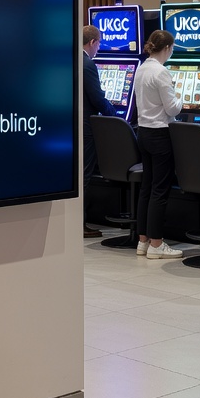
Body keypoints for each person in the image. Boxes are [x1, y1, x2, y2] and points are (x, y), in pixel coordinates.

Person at [132, 29, 183, 259]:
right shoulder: (161, 72)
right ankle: (156, 244)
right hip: (161, 134)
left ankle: (142, 241)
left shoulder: (141, 69)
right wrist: (182, 98)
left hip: (143, 132)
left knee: (147, 188)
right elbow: (172, 108)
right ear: (167, 48)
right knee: (160, 191)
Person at [82, 25, 116, 238]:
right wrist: (115, 115)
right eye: (100, 43)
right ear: (93, 42)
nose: (99, 48)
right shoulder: (87, 64)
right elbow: (97, 98)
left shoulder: (72, 59)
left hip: (76, 123)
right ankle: (80, 223)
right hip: (86, 126)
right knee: (84, 175)